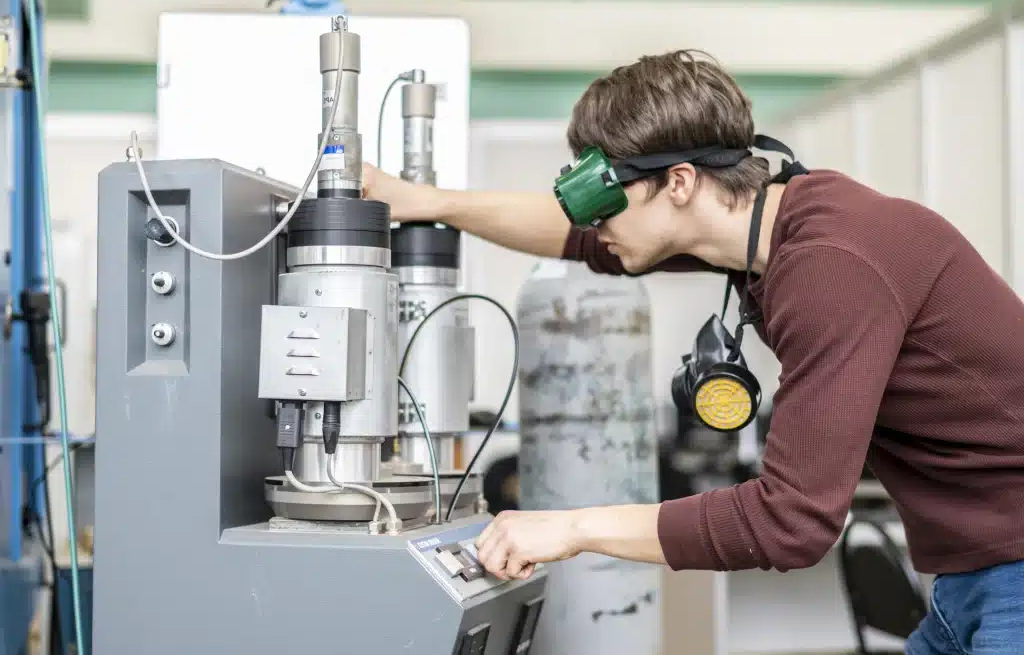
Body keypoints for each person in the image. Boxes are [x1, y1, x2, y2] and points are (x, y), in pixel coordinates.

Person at [362, 50, 1024, 653]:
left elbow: (792, 521)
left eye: (605, 200)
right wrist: (430, 202)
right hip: (972, 580)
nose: (595, 225)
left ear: (679, 182)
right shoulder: (779, 224)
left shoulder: (831, 265)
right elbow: (578, 240)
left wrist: (572, 527)